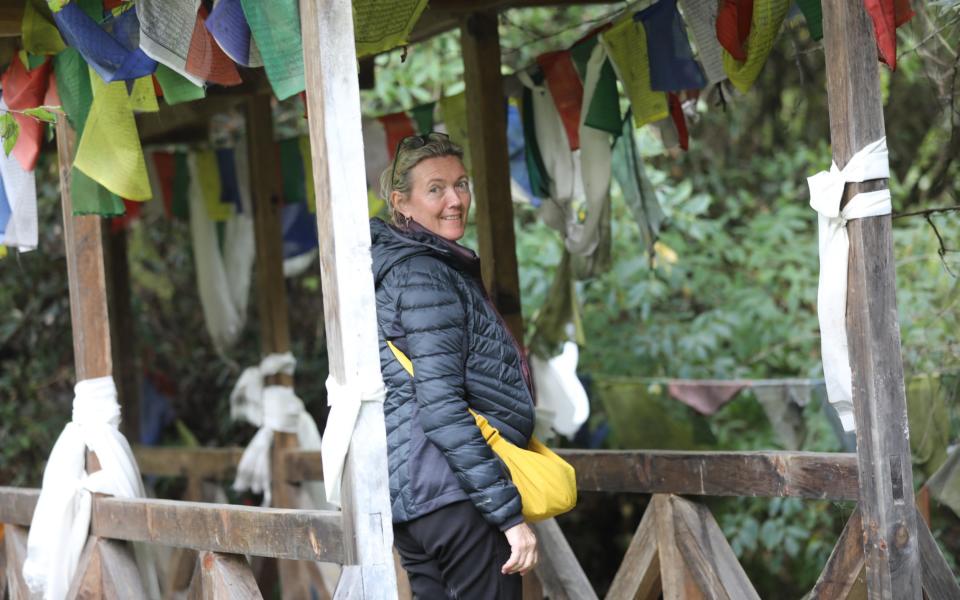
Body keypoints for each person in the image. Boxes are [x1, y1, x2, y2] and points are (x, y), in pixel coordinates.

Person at [369, 132, 538, 598]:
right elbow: (441, 405)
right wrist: (507, 515)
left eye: (461, 185)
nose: (455, 200)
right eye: (436, 188)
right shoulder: (425, 275)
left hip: (418, 500)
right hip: (455, 497)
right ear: (401, 203)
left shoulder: (396, 268)